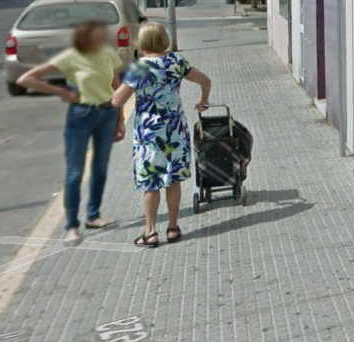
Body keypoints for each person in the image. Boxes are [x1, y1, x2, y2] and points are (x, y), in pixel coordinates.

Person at [17, 20, 126, 243]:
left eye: (102, 36)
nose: (101, 40)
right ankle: (71, 225)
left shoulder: (108, 54)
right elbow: (26, 79)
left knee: (100, 167)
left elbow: (117, 88)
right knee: (75, 173)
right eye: (96, 36)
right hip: (81, 116)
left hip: (107, 114)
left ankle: (94, 216)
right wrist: (60, 91)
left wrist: (121, 119)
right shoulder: (71, 56)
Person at [111, 22, 211, 248]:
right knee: (173, 179)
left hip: (150, 133)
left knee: (151, 182)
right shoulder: (177, 61)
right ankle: (173, 228)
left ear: (142, 42)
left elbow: (118, 100)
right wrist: (203, 101)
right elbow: (206, 80)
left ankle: (150, 232)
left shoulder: (140, 68)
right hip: (175, 129)